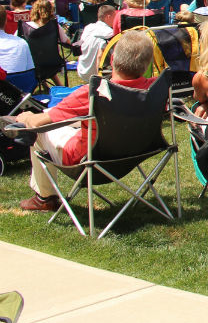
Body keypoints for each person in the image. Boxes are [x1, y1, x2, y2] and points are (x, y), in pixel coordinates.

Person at [14, 30, 156, 212]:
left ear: (112, 60)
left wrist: (26, 117)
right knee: (66, 116)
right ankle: (55, 114)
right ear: (148, 64)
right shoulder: (153, 89)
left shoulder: (95, 92)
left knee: (39, 129)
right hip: (131, 155)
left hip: (87, 160)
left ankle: (45, 198)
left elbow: (37, 123)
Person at [76, 4, 117, 81]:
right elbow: (100, 55)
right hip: (95, 74)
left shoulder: (88, 27)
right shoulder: (109, 33)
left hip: (82, 70)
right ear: (108, 17)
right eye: (114, 17)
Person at [0, 7, 34, 77]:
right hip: (20, 85)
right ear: (6, 21)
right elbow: (31, 71)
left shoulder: (21, 42)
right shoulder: (22, 42)